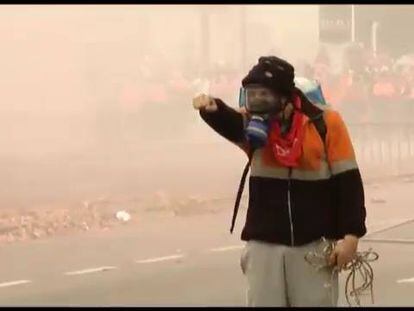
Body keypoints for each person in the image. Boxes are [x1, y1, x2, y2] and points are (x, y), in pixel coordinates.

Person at [192, 56, 367, 307]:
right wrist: (212, 108)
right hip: (264, 245)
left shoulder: (326, 124)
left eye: (265, 95)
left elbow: (349, 183)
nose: (258, 103)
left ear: (286, 97)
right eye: (252, 95)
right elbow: (230, 122)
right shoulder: (255, 128)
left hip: (313, 246)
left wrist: (351, 236)